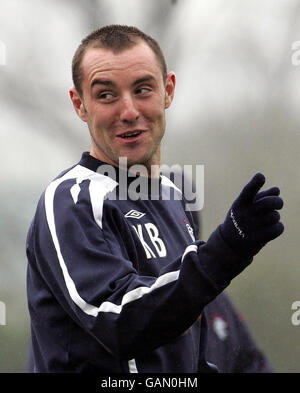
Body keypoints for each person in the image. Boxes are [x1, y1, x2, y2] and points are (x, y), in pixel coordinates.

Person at [26, 24, 284, 373]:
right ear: (80, 104)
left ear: (168, 91)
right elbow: (122, 323)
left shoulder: (176, 197)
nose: (129, 110)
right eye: (106, 95)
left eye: (142, 89)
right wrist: (224, 250)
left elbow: (183, 334)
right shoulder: (71, 201)